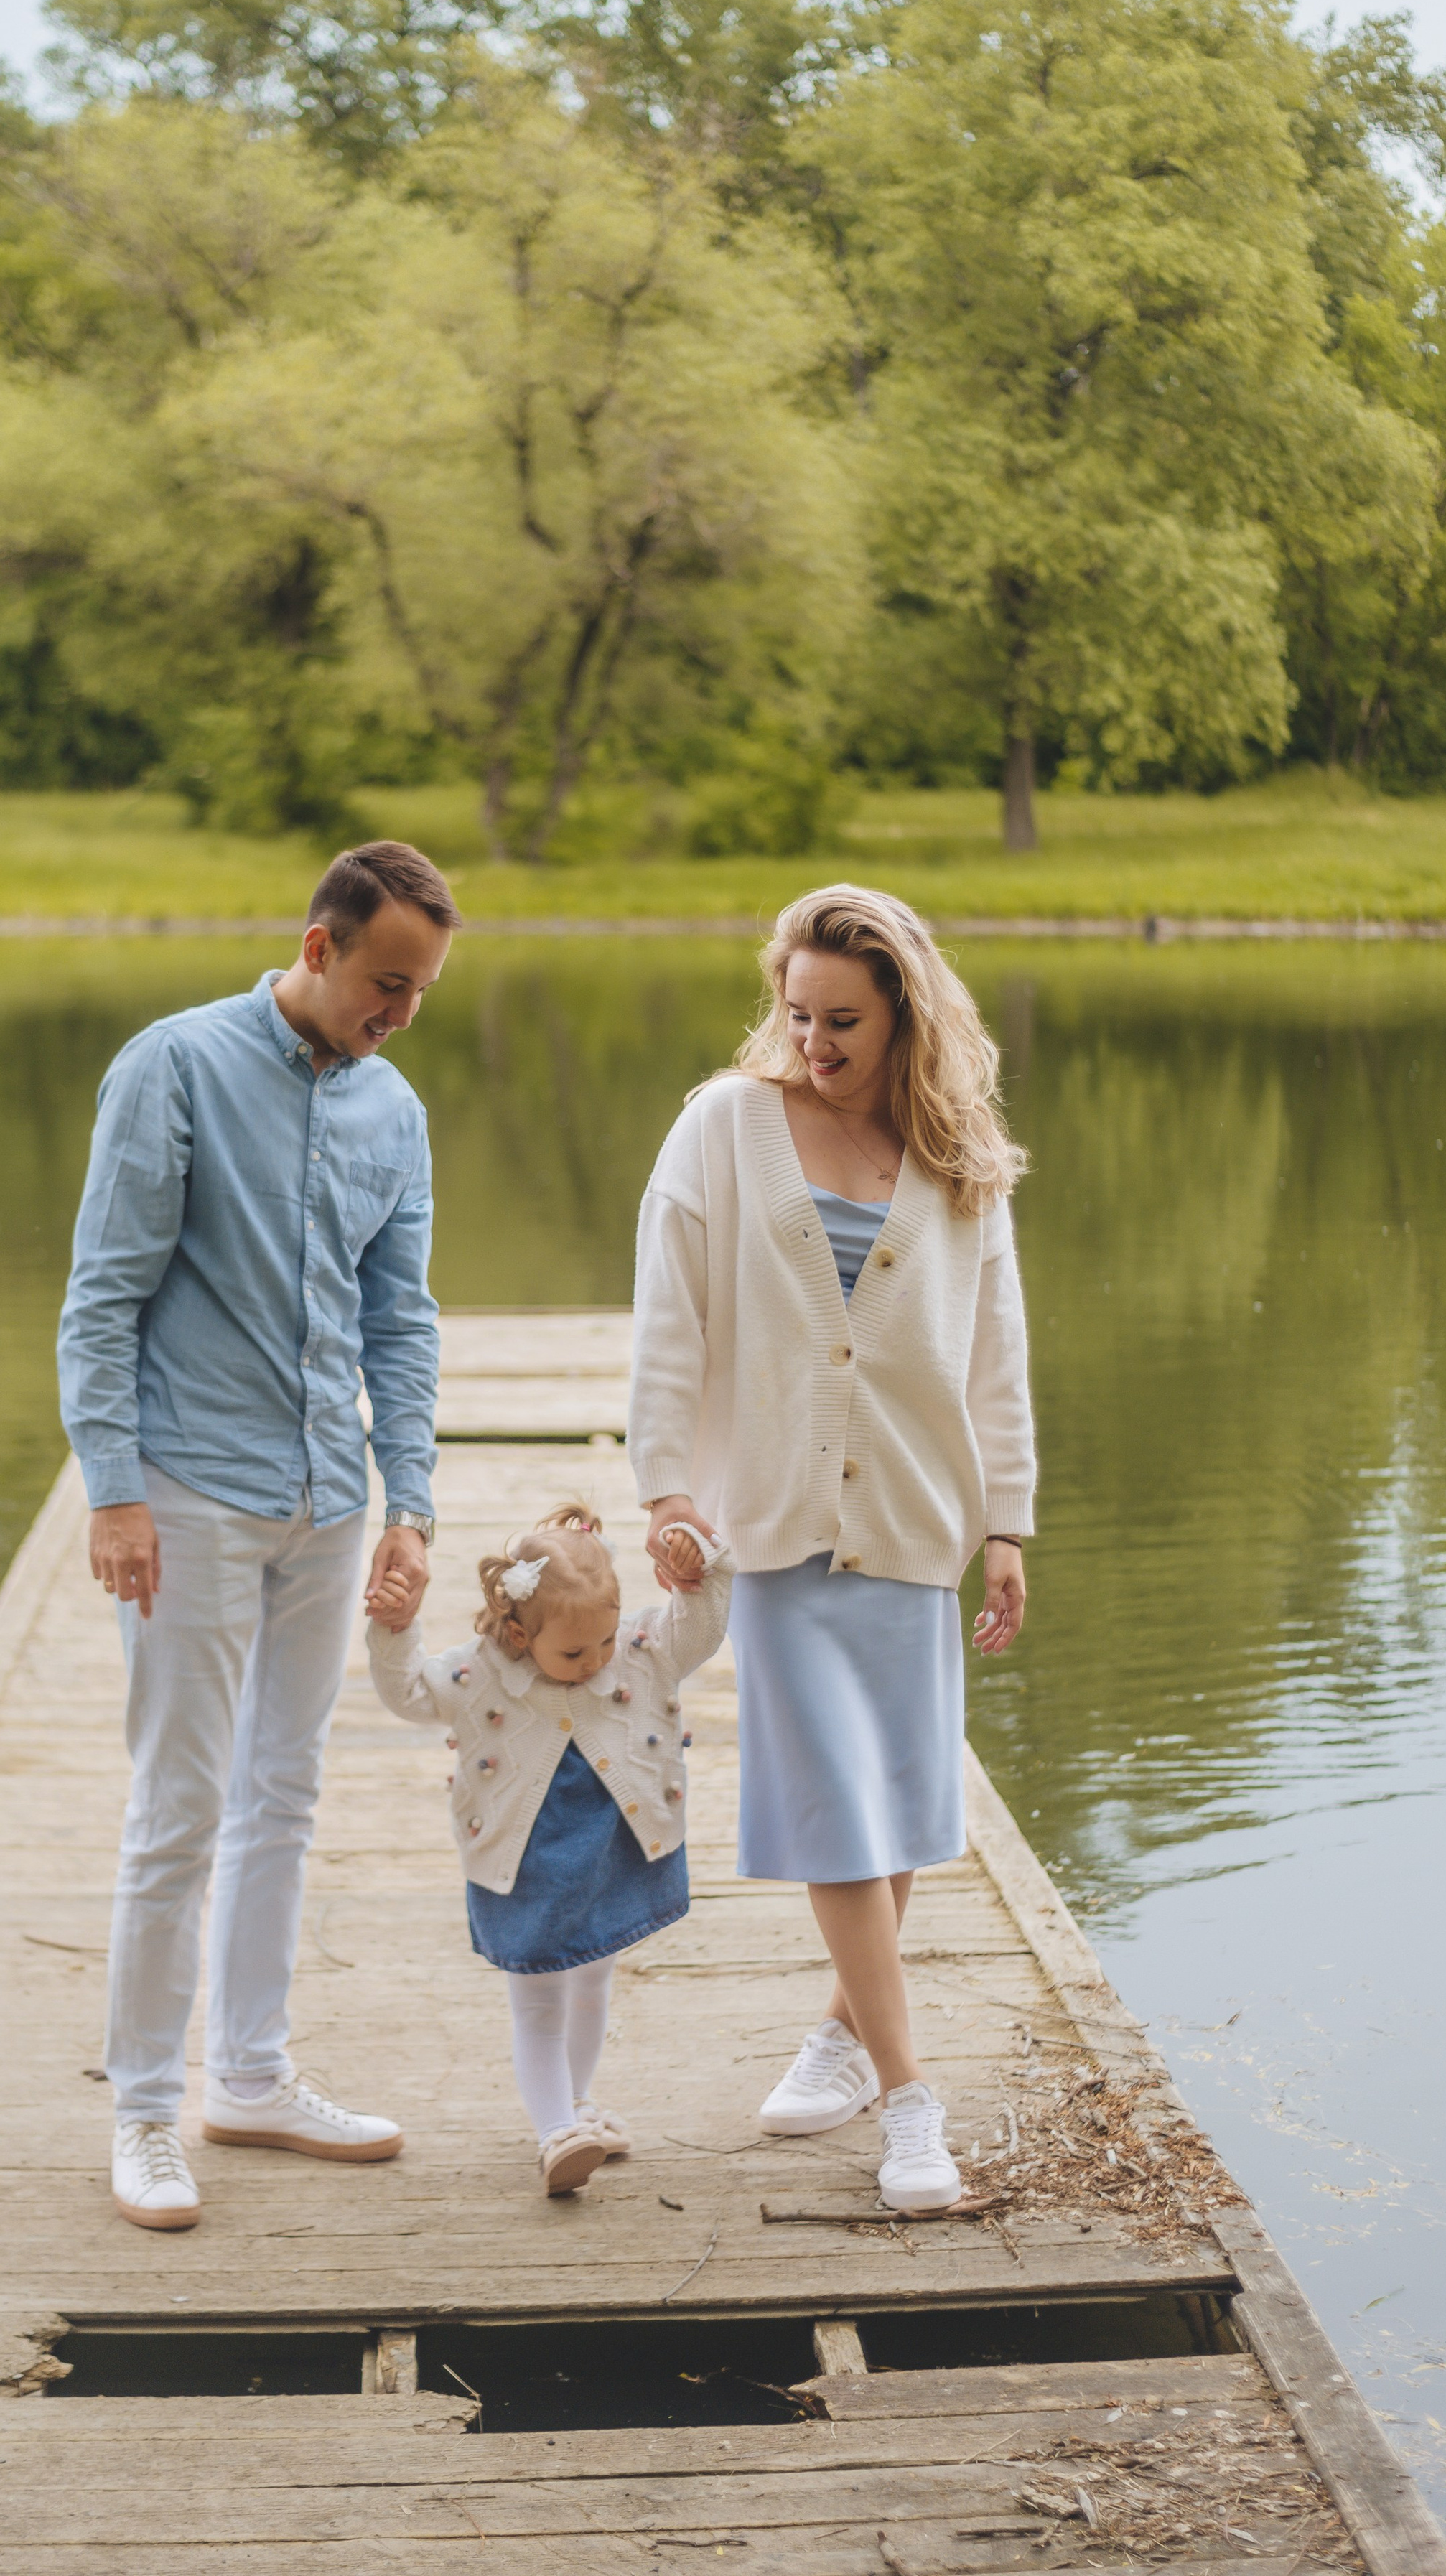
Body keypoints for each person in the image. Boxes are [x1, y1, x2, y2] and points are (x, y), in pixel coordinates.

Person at [57, 840, 460, 2232]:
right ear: (317, 945)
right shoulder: (170, 1066)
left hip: (324, 1502)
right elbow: (101, 1298)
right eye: (384, 982)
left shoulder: (393, 1110)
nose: (397, 1012)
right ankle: (143, 2113)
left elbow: (399, 1319)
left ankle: (251, 2075)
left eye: (419, 991)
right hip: (188, 1494)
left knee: (284, 1794)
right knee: (180, 1804)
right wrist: (112, 1489)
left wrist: (409, 1499)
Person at [628, 883, 1034, 2216]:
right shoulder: (726, 1126)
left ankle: (843, 2037)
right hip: (779, 1523)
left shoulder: (960, 1157)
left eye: (844, 1019)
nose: (815, 1041)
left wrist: (1009, 1521)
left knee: (903, 1796)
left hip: (918, 1519)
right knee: (843, 1814)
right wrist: (666, 1492)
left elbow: (995, 1357)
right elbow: (671, 1318)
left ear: (906, 1010)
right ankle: (914, 2104)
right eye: (798, 1014)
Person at [368, 1503, 732, 2195]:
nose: (595, 1662)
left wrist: (700, 1575)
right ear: (516, 1631)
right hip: (526, 1861)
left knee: (592, 1983)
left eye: (603, 1641)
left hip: (610, 1847)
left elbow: (702, 1630)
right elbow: (410, 1690)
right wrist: (394, 1626)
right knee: (537, 2000)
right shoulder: (481, 1675)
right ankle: (554, 2129)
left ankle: (576, 2103)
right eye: (573, 1653)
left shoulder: (637, 1652)